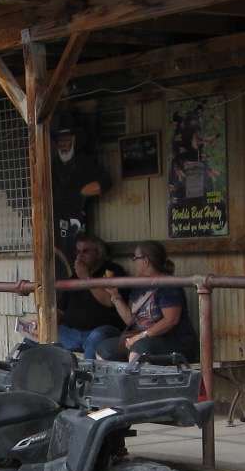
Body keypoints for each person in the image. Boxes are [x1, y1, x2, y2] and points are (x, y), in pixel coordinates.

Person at [92, 240, 199, 362]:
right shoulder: (140, 284)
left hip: (176, 341)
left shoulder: (168, 284)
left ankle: (136, 380)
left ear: (145, 261)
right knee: (104, 349)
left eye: (135, 258)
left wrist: (141, 336)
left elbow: (171, 320)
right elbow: (129, 320)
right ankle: (118, 381)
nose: (134, 262)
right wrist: (115, 295)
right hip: (146, 340)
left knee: (139, 350)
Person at [51, 125, 112, 278]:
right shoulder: (52, 166)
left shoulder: (83, 163)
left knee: (77, 256)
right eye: (60, 141)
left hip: (76, 220)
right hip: (55, 222)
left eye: (66, 140)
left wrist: (81, 193)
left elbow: (105, 182)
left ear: (74, 141)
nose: (63, 144)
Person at [53, 236, 126, 357]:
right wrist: (41, 322)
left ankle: (87, 375)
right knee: (36, 334)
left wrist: (87, 278)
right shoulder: (75, 277)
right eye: (78, 252)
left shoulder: (113, 271)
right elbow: (60, 310)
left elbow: (109, 301)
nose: (80, 255)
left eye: (85, 251)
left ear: (99, 254)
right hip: (71, 333)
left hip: (101, 331)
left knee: (96, 336)